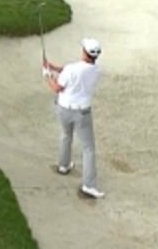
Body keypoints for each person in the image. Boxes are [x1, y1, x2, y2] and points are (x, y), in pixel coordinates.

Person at [43, 38, 105, 199]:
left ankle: (64, 166)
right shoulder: (97, 70)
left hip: (63, 109)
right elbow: (69, 71)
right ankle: (89, 185)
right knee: (88, 148)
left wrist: (47, 75)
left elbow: (57, 87)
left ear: (84, 52)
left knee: (66, 135)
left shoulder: (72, 69)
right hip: (82, 113)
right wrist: (53, 67)